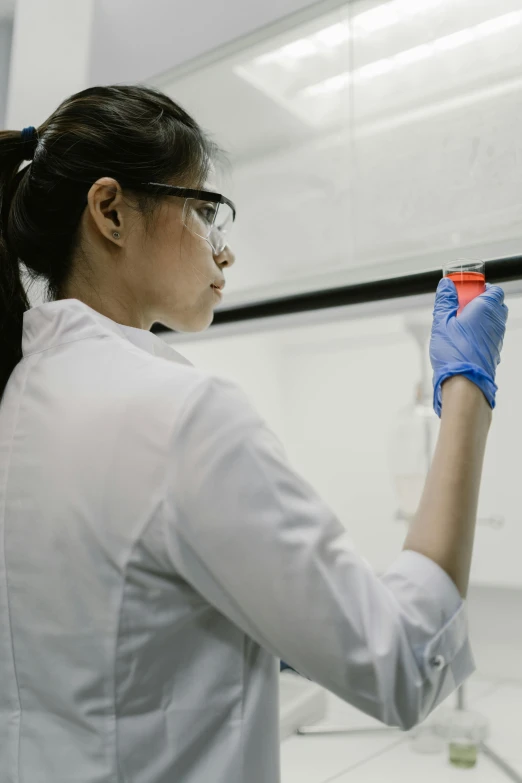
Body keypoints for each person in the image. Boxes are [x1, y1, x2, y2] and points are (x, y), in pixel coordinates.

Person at [0, 85, 507, 783]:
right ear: (111, 211)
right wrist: (467, 390)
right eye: (205, 211)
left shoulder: (21, 399)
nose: (224, 253)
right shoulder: (180, 415)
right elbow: (406, 664)